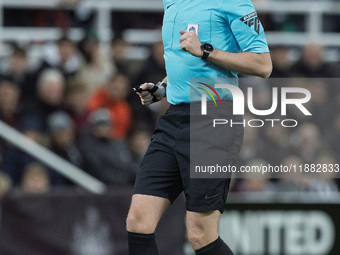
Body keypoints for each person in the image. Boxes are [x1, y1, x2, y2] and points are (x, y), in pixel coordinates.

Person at [126, 1, 272, 255]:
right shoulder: (171, 2)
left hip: (214, 116)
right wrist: (161, 89)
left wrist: (205, 50)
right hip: (174, 117)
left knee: (200, 233)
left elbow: (263, 64)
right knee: (138, 222)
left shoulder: (232, 2)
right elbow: (185, 62)